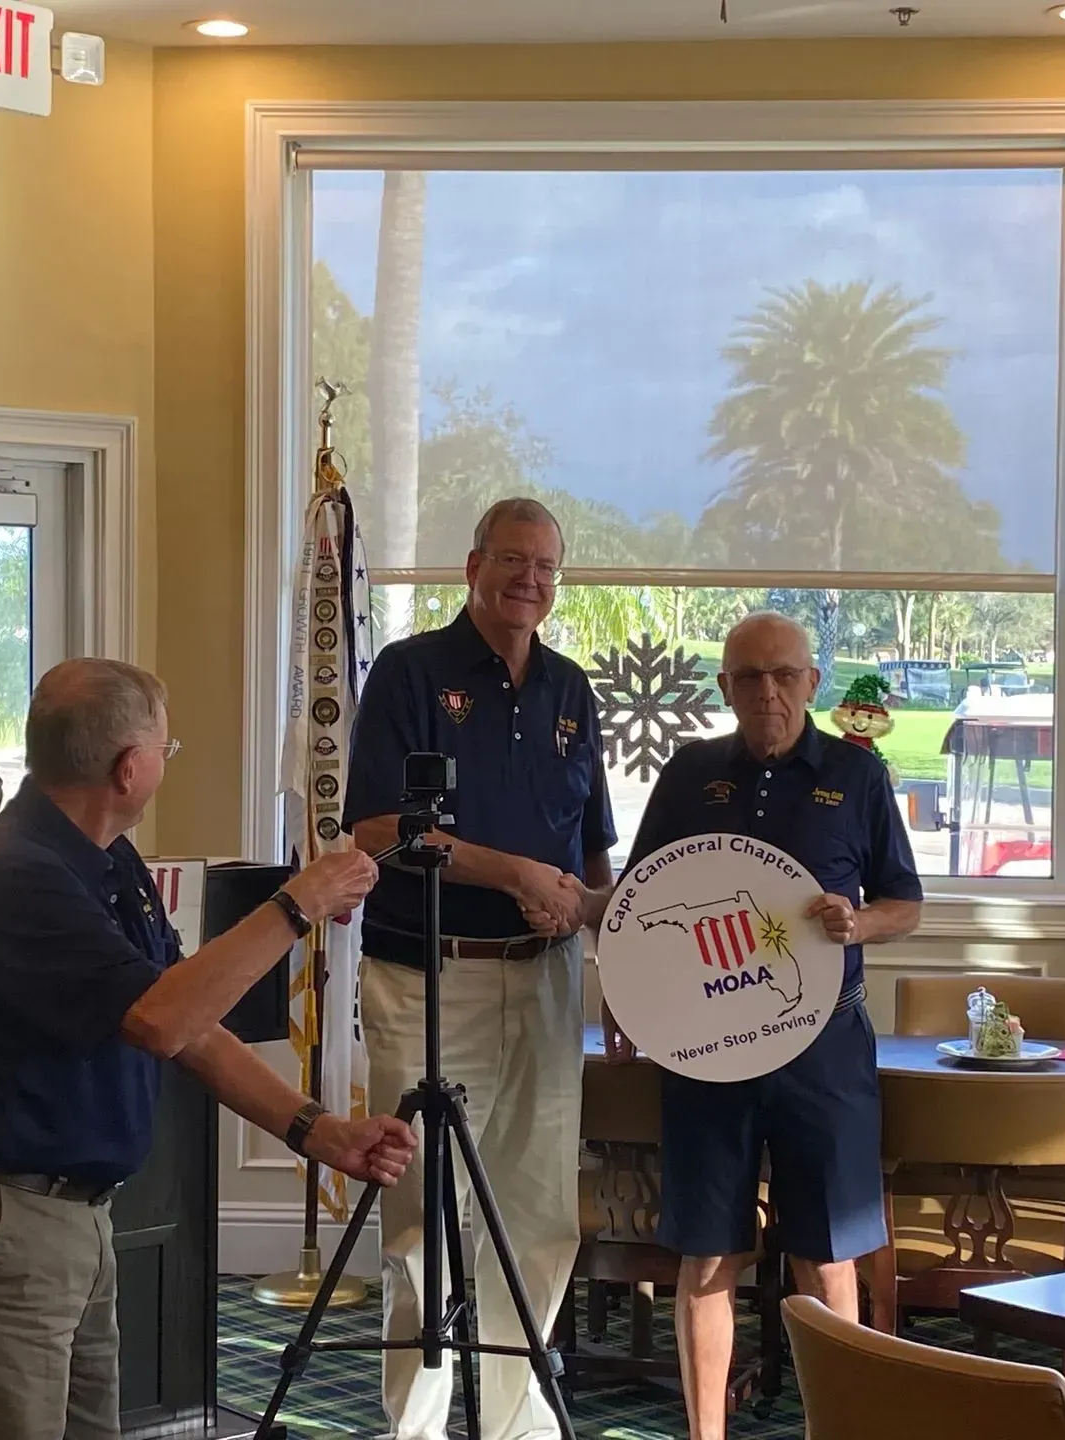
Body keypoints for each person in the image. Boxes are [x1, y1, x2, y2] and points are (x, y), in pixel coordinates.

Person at [0, 659, 416, 1440]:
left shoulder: (106, 857)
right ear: (128, 768)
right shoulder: (15, 874)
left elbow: (189, 1020)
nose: (166, 765)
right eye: (165, 751)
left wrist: (316, 1130)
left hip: (74, 1215)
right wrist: (298, 903)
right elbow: (161, 1021)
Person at [589, 612, 923, 1440]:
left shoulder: (858, 774)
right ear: (725, 687)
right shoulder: (690, 773)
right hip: (708, 1049)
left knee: (827, 1255)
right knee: (707, 1255)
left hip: (825, 1050)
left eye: (783, 674)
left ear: (812, 682)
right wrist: (619, 994)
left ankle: (835, 1430)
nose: (766, 692)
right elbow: (639, 898)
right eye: (748, 676)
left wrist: (859, 923)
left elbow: (905, 904)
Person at [342, 498, 615, 1440]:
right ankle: (413, 1428)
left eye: (545, 566)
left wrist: (589, 920)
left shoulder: (571, 689)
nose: (529, 580)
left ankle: (515, 1422)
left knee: (538, 1215)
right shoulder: (411, 672)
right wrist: (513, 874)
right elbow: (376, 828)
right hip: (430, 976)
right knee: (424, 1218)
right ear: (472, 566)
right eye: (512, 560)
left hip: (548, 979)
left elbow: (592, 848)